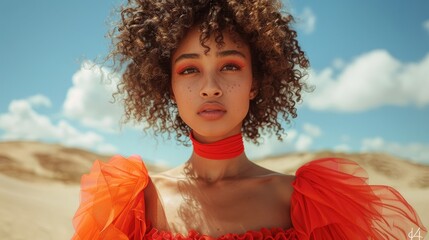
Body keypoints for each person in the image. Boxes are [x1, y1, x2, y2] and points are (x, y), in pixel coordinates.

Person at [72, 0, 427, 239]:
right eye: (189, 69)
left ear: (255, 83)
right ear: (169, 86)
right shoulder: (133, 203)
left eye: (230, 66)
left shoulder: (306, 204)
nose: (210, 87)